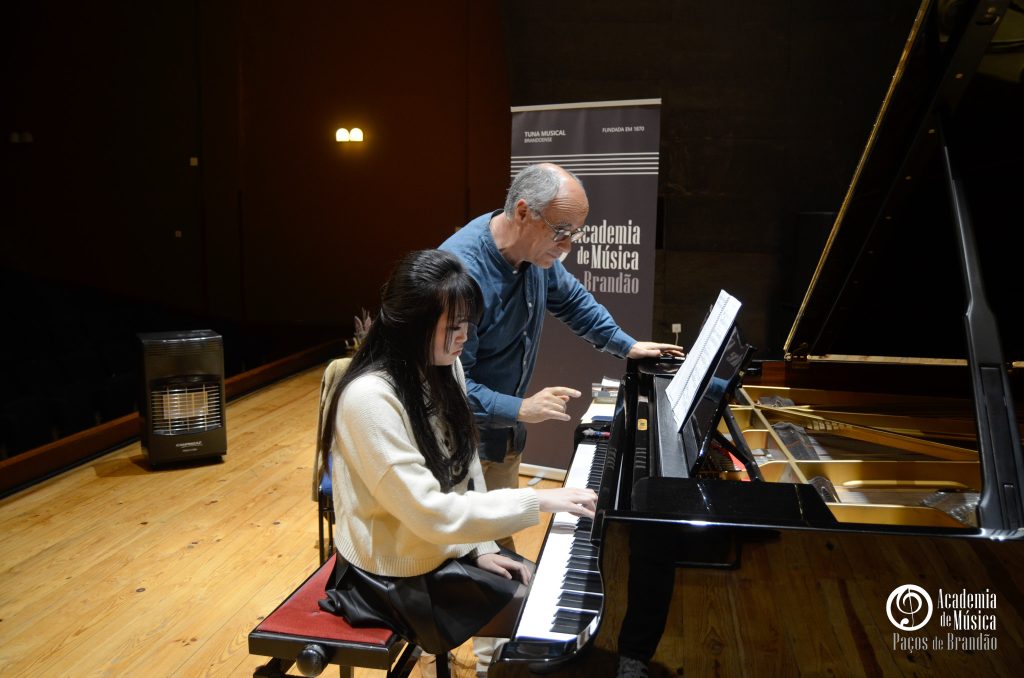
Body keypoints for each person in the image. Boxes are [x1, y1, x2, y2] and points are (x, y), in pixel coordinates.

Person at [317, 249, 598, 673]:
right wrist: (539, 500)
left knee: (545, 589)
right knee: (539, 613)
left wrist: (479, 546)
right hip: (388, 573)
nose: (465, 336)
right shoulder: (369, 399)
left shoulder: (445, 366)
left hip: (434, 547)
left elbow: (466, 471)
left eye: (468, 323)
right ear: (411, 325)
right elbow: (430, 512)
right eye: (453, 327)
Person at [440, 162, 682, 541]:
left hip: (501, 438)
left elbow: (572, 301)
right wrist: (521, 408)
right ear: (523, 213)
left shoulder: (534, 254)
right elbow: (448, 387)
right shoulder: (460, 274)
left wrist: (627, 345)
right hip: (456, 446)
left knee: (498, 545)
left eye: (575, 233)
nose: (568, 246)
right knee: (470, 550)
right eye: (561, 232)